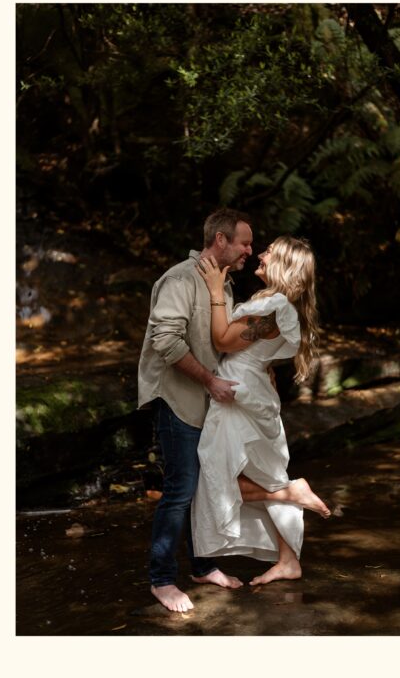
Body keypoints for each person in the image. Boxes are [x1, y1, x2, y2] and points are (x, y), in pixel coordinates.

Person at [191, 235, 331, 586]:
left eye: (270, 251)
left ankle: (291, 492)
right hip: (250, 389)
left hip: (237, 395)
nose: (262, 254)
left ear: (284, 265)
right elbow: (262, 353)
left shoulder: (274, 308)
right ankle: (288, 560)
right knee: (261, 475)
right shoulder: (276, 306)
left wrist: (213, 288)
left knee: (216, 479)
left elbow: (223, 339)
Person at [137, 208, 251, 612]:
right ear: (220, 240)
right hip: (179, 401)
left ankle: (202, 565)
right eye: (244, 243)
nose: (249, 252)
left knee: (205, 488)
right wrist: (209, 380)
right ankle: (162, 579)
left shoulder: (224, 285)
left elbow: (221, 342)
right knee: (180, 490)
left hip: (211, 404)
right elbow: (165, 342)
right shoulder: (179, 280)